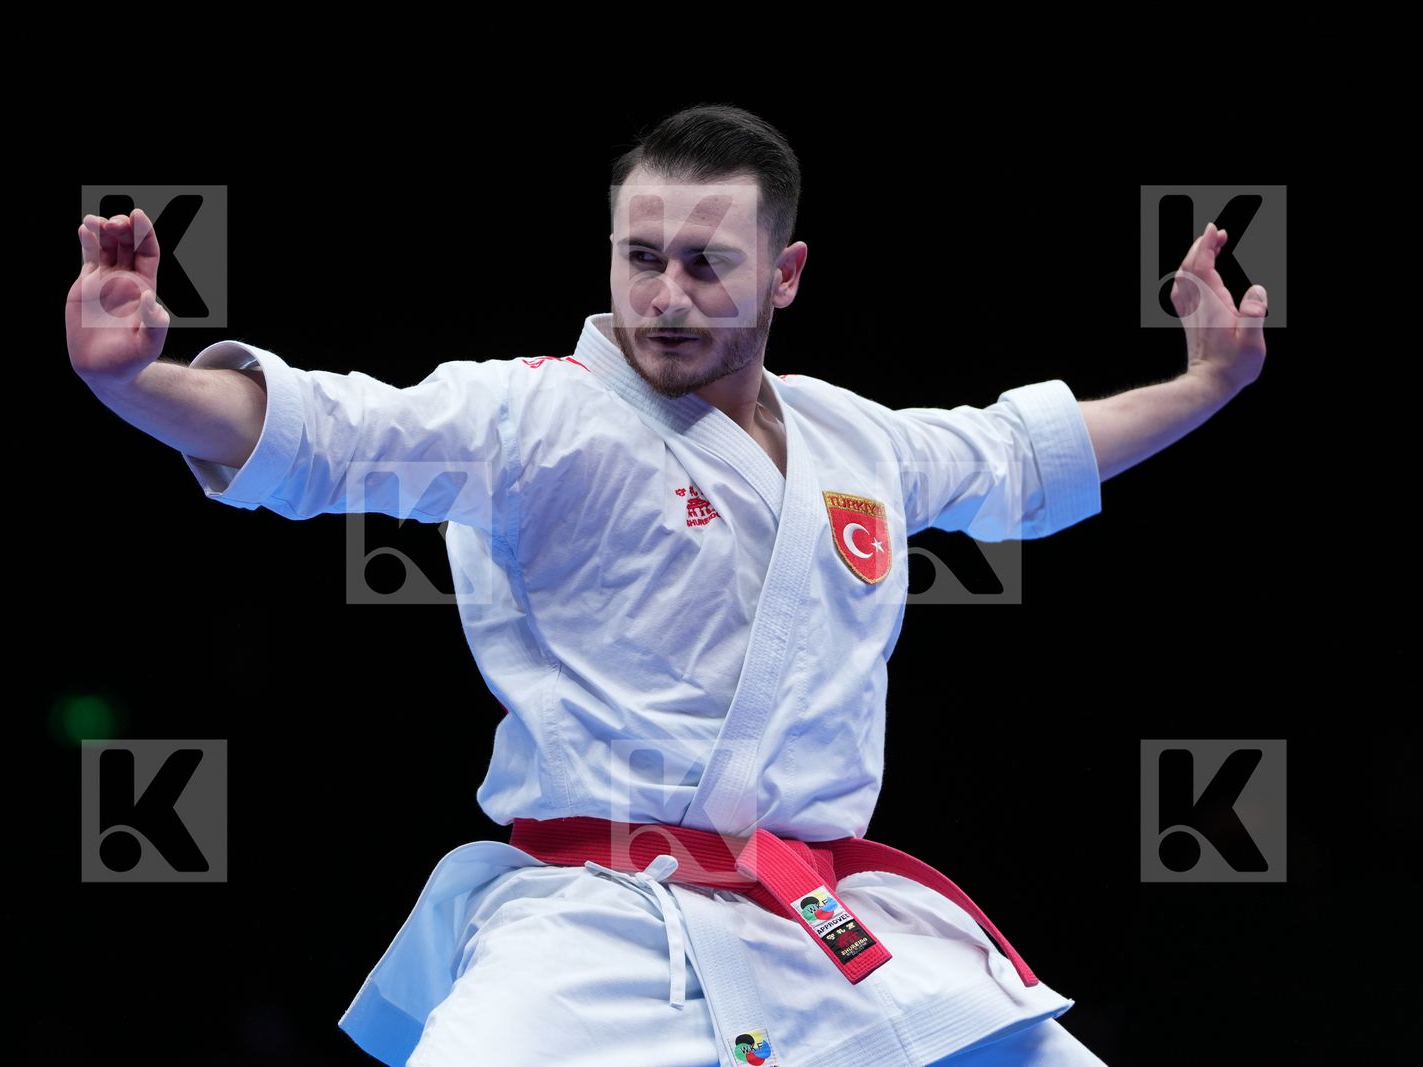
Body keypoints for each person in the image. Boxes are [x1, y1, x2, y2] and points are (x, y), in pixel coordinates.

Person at [65, 104, 1267, 1066]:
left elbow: (1020, 460)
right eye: (641, 258)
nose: (664, 294)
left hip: (823, 920)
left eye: (705, 263)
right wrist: (139, 385)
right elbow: (337, 432)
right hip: (589, 921)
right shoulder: (536, 417)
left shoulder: (858, 444)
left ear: (785, 272)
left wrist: (1206, 382)